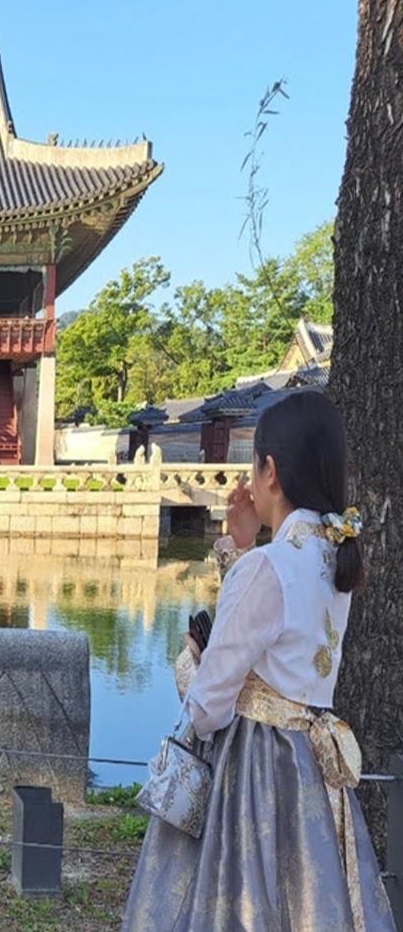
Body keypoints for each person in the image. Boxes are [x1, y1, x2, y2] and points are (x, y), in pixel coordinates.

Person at [123, 390, 395, 931]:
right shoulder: (335, 560)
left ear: (269, 470)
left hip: (253, 773)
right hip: (312, 773)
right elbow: (277, 639)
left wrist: (188, 660)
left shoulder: (267, 569)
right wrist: (240, 547)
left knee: (241, 904)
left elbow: (206, 709)